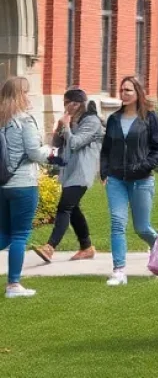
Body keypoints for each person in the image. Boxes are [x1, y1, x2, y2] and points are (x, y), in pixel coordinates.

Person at [98, 76, 158, 286]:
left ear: (138, 93)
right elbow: (106, 149)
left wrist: (144, 166)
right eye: (121, 90)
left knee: (142, 227)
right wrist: (104, 172)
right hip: (116, 179)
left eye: (128, 90)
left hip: (142, 180)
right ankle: (119, 270)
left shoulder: (150, 118)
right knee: (117, 223)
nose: (123, 94)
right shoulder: (114, 119)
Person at [31, 88, 103, 266]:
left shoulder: (91, 121)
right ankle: (86, 247)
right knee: (73, 209)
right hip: (69, 171)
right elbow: (56, 144)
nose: (66, 107)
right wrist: (60, 126)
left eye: (67, 103)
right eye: (64, 103)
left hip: (82, 172)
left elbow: (76, 143)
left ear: (77, 104)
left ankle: (50, 247)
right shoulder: (71, 120)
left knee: (64, 208)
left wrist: (68, 126)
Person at [0, 77, 51, 298]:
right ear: (20, 95)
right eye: (26, 92)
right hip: (24, 184)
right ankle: (13, 285)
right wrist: (50, 151)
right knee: (19, 235)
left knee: (4, 234)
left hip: (3, 185)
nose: (29, 96)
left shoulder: (2, 121)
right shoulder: (25, 121)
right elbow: (34, 153)